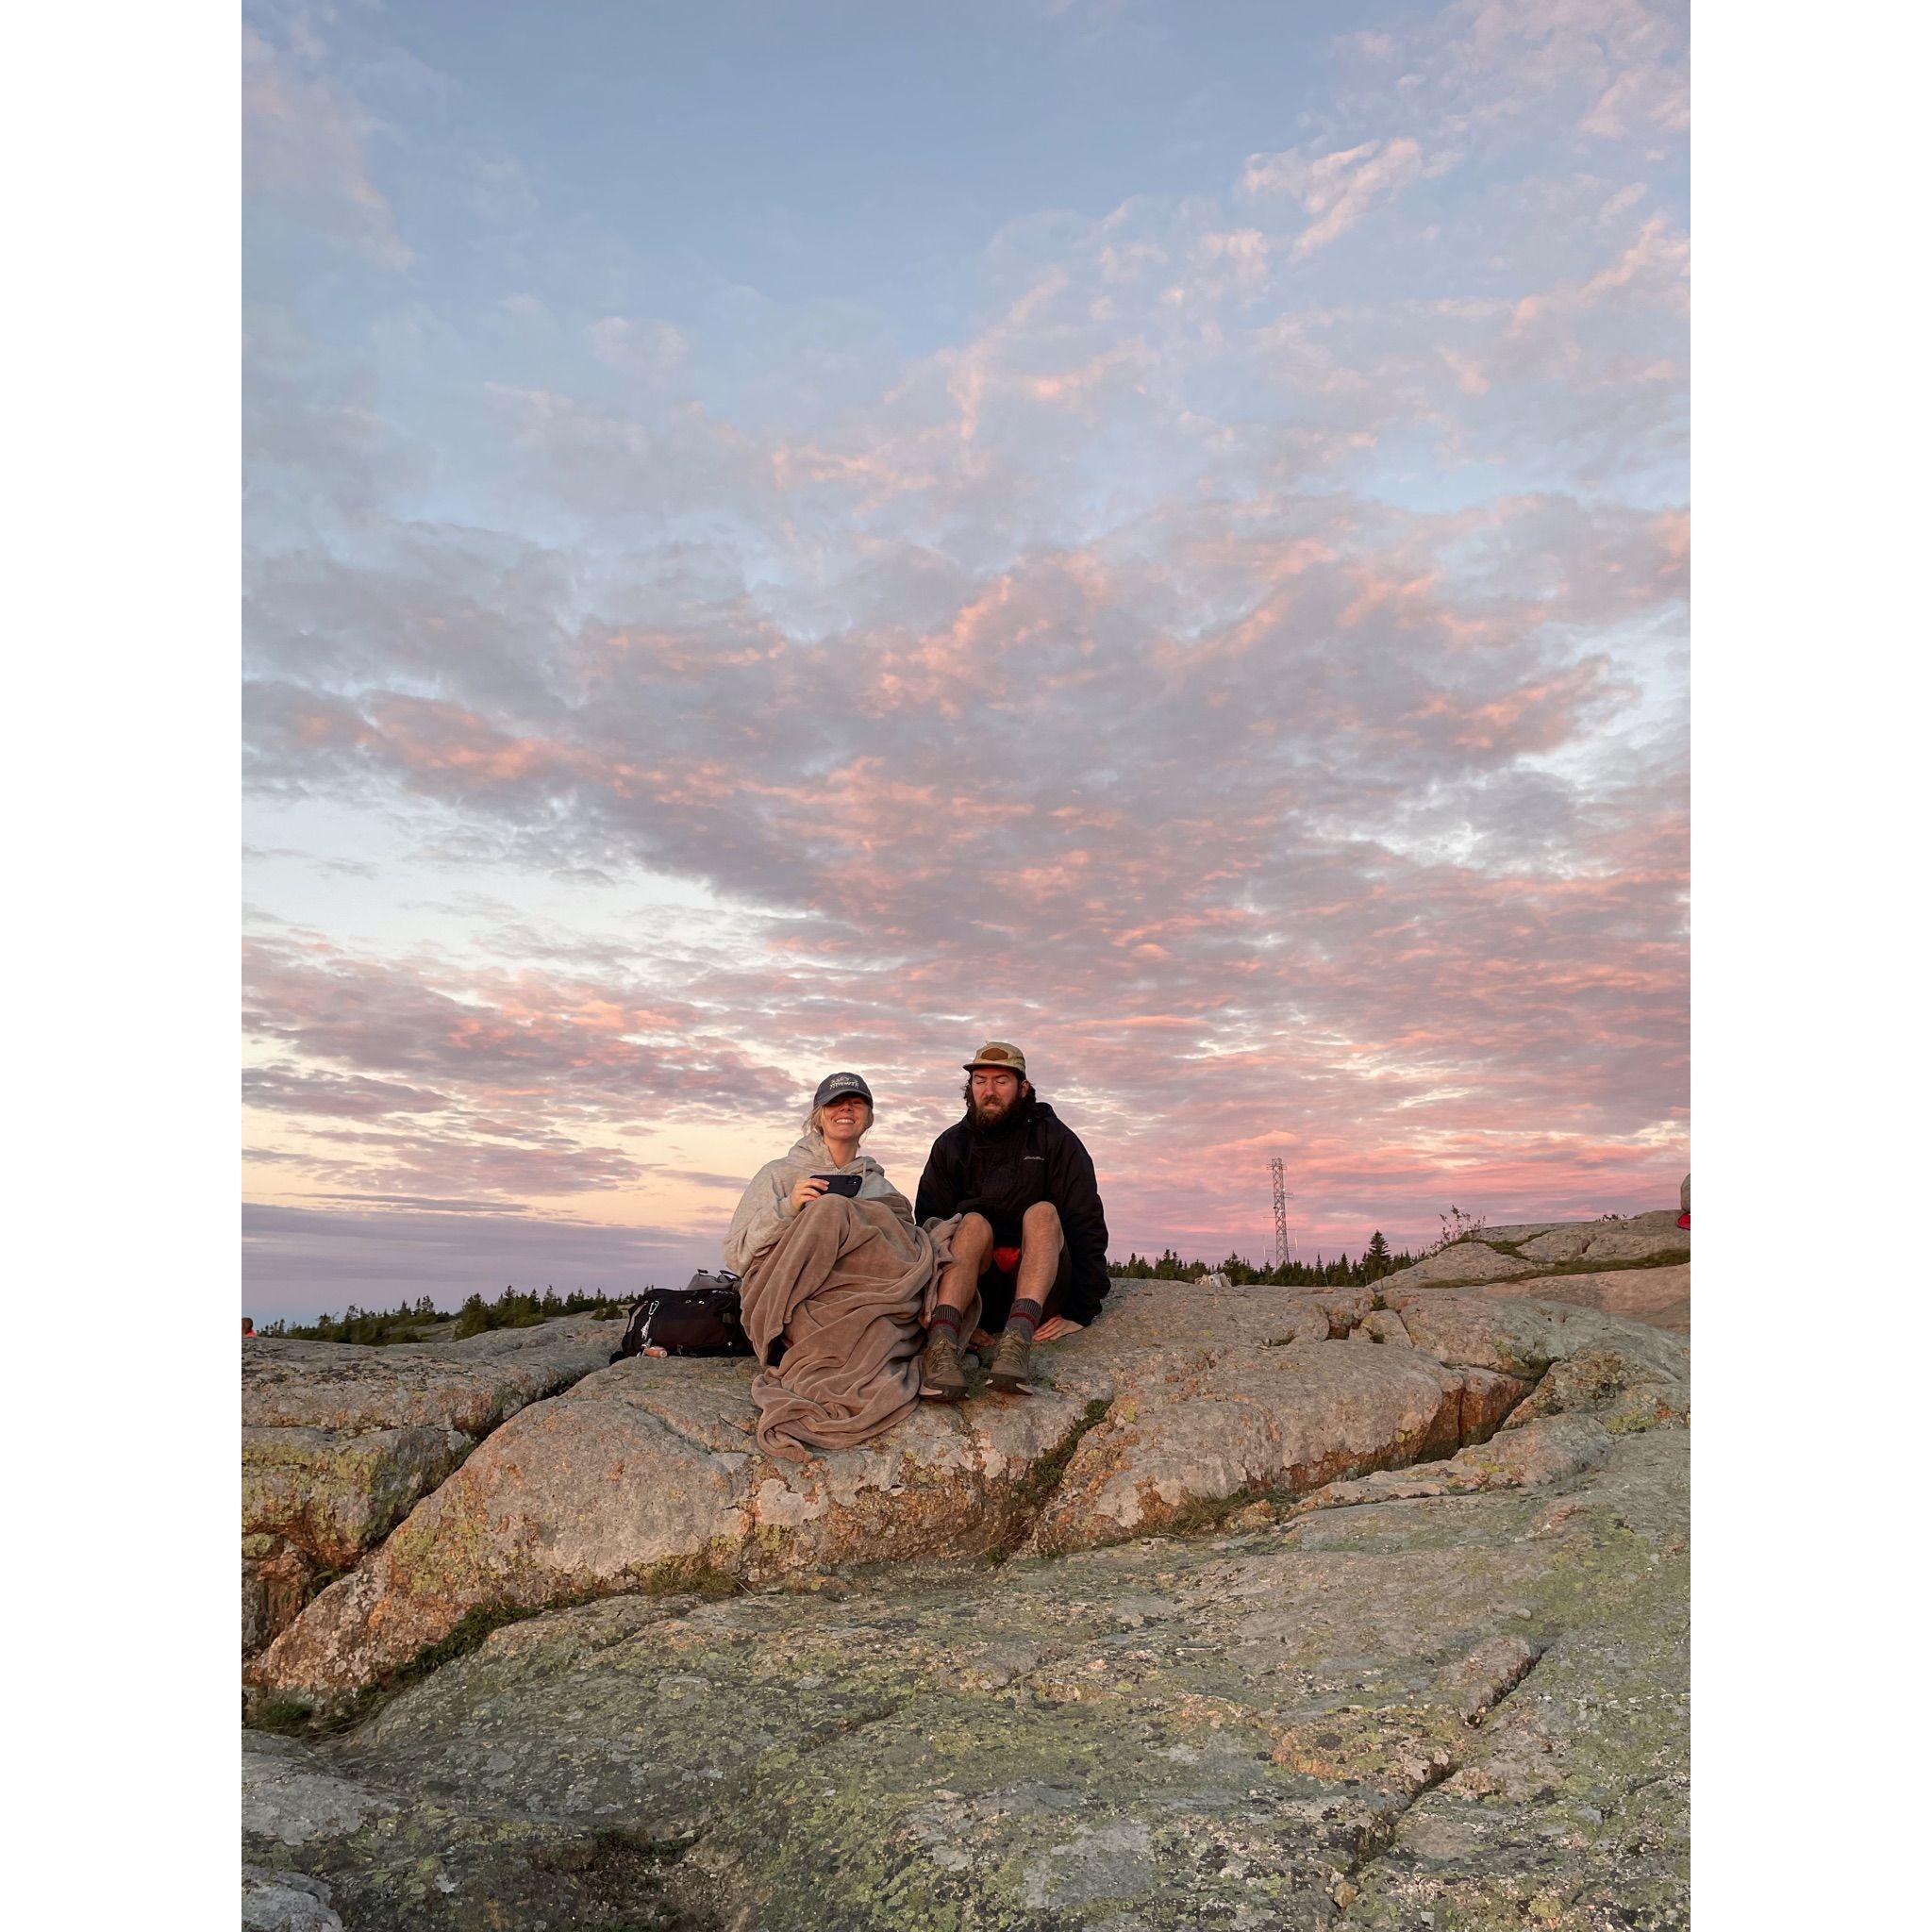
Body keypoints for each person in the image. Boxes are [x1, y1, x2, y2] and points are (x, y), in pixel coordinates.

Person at [724, 1073, 953, 1458]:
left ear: (868, 1117)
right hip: (797, 1296)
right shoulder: (778, 1174)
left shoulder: (880, 1187)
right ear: (818, 1115)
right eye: (835, 1102)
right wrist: (789, 1208)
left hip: (861, 1297)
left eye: (856, 1102)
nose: (845, 1109)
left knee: (881, 1325)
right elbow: (737, 1253)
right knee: (830, 1209)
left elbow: (898, 1253)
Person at [914, 1041, 1110, 1399]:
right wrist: (951, 1313)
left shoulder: (1055, 1139)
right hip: (979, 1293)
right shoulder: (951, 1145)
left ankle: (1016, 1345)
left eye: (1001, 1081)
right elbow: (930, 1227)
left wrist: (1082, 1310)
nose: (989, 1091)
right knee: (970, 1222)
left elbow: (1085, 1219)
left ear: (1023, 1087)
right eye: (980, 1081)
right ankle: (943, 1344)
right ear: (970, 1088)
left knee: (1043, 1213)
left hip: (1041, 1290)